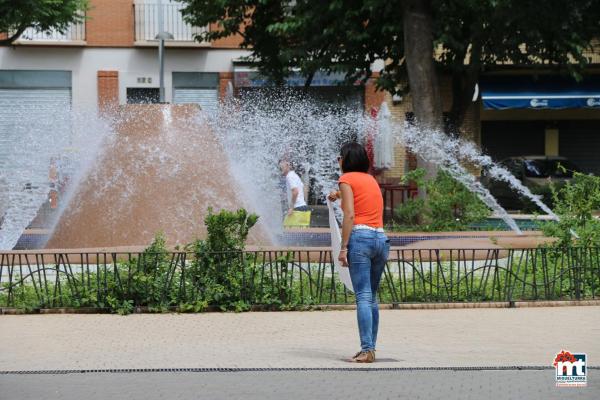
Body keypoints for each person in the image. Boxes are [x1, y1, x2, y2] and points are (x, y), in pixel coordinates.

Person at [328, 142, 390, 363]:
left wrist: (343, 247)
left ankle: (366, 349)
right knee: (371, 296)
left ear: (346, 160)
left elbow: (351, 215)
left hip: (360, 239)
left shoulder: (346, 179)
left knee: (362, 296)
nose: (338, 161)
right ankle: (370, 348)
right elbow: (360, 201)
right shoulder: (370, 179)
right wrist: (338, 194)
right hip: (381, 239)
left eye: (340, 157)